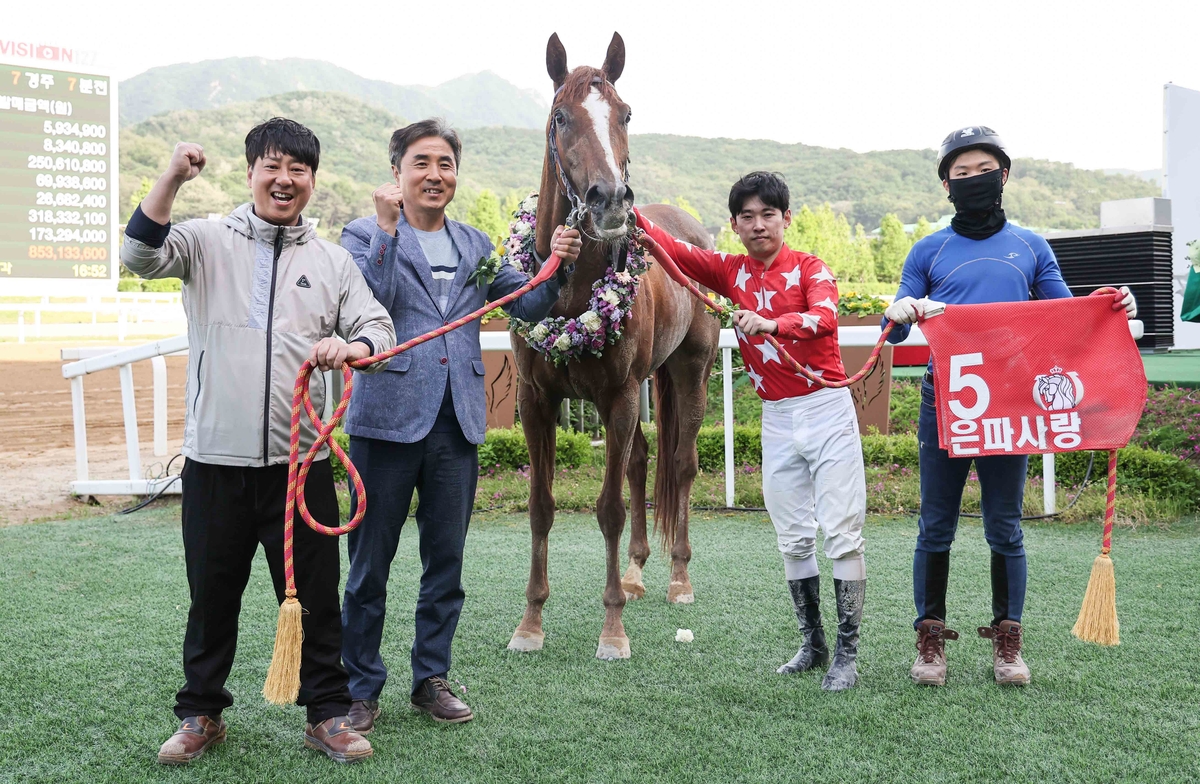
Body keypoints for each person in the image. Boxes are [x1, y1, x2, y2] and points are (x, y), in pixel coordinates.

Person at [122, 118, 396, 764]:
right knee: (211, 596)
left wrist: (351, 346)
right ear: (250, 173)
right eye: (273, 166)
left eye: (298, 169)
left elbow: (378, 329)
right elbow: (138, 256)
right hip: (215, 463)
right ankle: (201, 713)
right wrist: (170, 177)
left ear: (312, 180)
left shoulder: (333, 261)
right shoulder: (205, 240)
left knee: (317, 601)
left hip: (302, 467)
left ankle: (327, 714)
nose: (285, 179)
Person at [339, 119, 582, 731]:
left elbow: (525, 304)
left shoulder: (475, 245)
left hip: (457, 426)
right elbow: (371, 299)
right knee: (369, 566)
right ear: (397, 172)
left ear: (455, 174)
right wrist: (389, 231)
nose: (434, 174)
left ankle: (431, 679)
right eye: (421, 162)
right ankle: (360, 687)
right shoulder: (362, 234)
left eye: (445, 163)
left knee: (445, 564)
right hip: (386, 426)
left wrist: (560, 263)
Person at [883, 126, 1137, 687]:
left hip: (1010, 401)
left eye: (983, 170)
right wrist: (900, 311)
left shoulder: (1030, 245)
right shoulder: (929, 249)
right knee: (936, 526)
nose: (973, 180)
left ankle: (1008, 640)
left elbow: (1067, 317)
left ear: (1004, 175)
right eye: (961, 173)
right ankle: (930, 642)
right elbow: (892, 333)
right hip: (945, 399)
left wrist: (1111, 305)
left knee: (1005, 526)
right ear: (946, 184)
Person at [635, 172, 867, 691]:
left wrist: (771, 324)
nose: (758, 225)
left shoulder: (812, 268)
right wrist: (621, 208)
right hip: (777, 418)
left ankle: (847, 656)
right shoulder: (729, 271)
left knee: (843, 533)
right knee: (793, 539)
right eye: (747, 216)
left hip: (827, 409)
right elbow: (668, 246)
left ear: (787, 218)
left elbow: (824, 318)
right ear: (734, 225)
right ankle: (813, 645)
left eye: (768, 214)